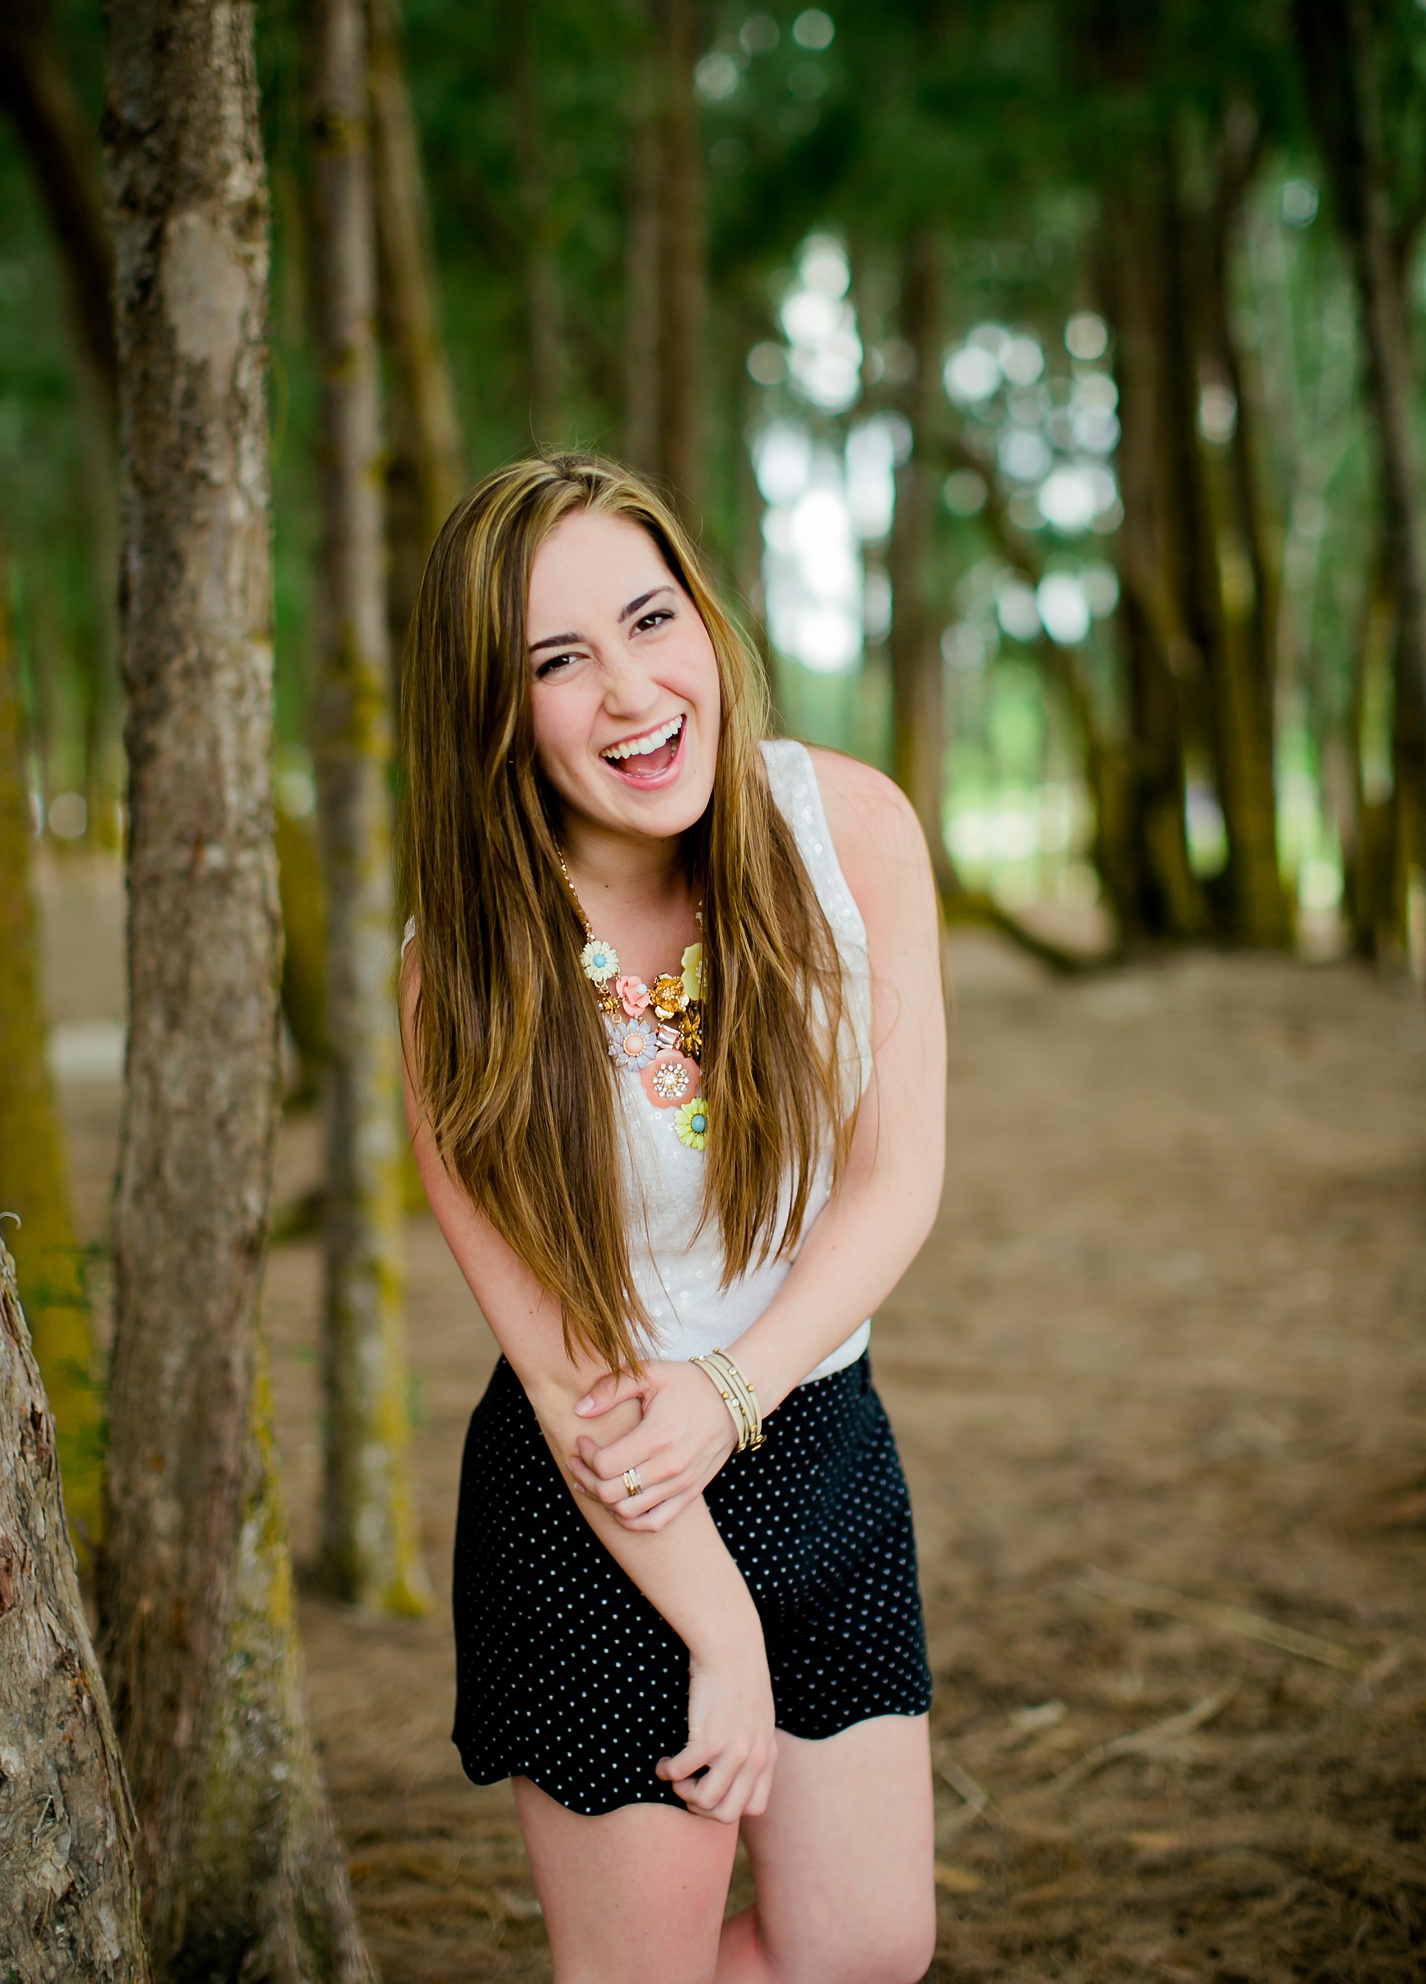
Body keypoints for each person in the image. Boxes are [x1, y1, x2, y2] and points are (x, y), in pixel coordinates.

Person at [399, 452, 946, 1984]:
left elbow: (897, 1178)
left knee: (866, 1945)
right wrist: (713, 1623)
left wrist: (735, 1389)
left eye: (651, 620)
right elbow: (567, 1360)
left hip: (823, 1448)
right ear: (492, 710)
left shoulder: (849, 830)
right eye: (557, 661)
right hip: (604, 1504)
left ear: (706, 622)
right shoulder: (465, 976)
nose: (632, 691)